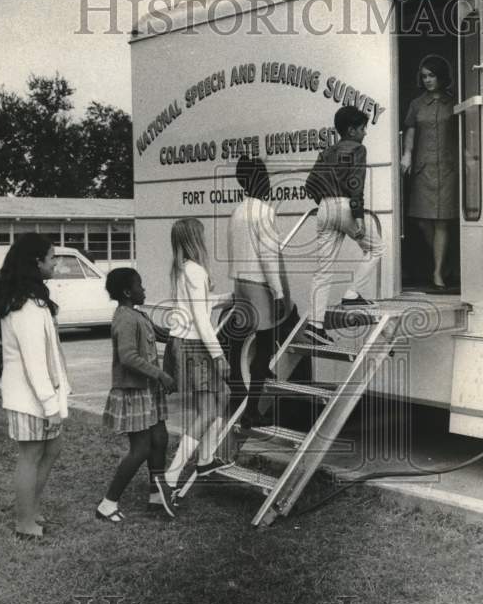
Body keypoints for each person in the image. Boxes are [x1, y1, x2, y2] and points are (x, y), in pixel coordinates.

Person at [0, 233, 72, 541]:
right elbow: (33, 361)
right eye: (52, 258)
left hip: (41, 394)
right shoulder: (23, 306)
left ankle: (31, 507)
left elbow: (50, 353)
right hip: (28, 397)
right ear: (36, 262)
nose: (55, 263)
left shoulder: (34, 300)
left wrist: (61, 390)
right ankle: (24, 522)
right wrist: (50, 405)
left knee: (52, 448)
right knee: (31, 455)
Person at [95, 268, 179, 522]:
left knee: (160, 438)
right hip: (134, 391)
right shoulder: (125, 319)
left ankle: (156, 494)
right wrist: (161, 375)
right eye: (140, 286)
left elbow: (163, 334)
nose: (144, 290)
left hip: (148, 391)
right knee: (141, 449)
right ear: (127, 292)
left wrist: (187, 325)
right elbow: (128, 357)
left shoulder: (138, 314)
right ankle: (108, 503)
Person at [304, 105, 387, 344]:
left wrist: (325, 202)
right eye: (362, 128)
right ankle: (351, 294)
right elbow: (355, 183)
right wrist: (358, 216)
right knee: (375, 248)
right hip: (345, 206)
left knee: (323, 270)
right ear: (351, 130)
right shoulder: (358, 149)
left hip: (324, 209)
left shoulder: (327, 152)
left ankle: (315, 325)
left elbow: (310, 184)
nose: (365, 133)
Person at [162, 218, 233, 494]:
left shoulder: (184, 270)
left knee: (223, 396)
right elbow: (202, 321)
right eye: (202, 235)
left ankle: (205, 460)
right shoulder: (196, 272)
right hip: (195, 347)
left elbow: (199, 305)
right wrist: (219, 356)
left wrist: (230, 297)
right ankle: (171, 475)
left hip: (183, 343)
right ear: (195, 239)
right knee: (206, 411)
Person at [227, 155, 292, 427]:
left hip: (239, 282)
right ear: (257, 180)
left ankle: (237, 398)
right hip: (258, 284)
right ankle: (251, 410)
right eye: (264, 176)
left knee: (239, 342)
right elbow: (268, 256)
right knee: (265, 345)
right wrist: (278, 292)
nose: (268, 182)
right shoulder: (264, 212)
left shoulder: (238, 212)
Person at [400, 53, 458, 289]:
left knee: (443, 221)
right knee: (424, 221)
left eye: (432, 75)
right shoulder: (416, 104)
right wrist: (406, 155)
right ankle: (443, 260)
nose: (427, 80)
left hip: (447, 167)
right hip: (423, 168)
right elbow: (411, 133)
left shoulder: (452, 103)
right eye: (424, 76)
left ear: (441, 77)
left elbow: (463, 133)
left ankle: (437, 272)